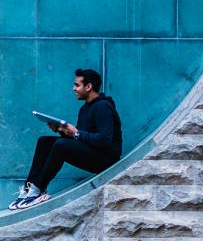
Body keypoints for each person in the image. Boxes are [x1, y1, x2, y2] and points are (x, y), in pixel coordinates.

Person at [11, 68, 122, 210]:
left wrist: (75, 133)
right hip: (94, 152)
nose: (73, 89)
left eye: (77, 85)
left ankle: (39, 189)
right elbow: (81, 138)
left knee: (61, 145)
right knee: (45, 141)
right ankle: (30, 188)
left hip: (107, 160)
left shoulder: (103, 107)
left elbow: (104, 139)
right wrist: (62, 131)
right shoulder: (85, 109)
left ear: (88, 87)